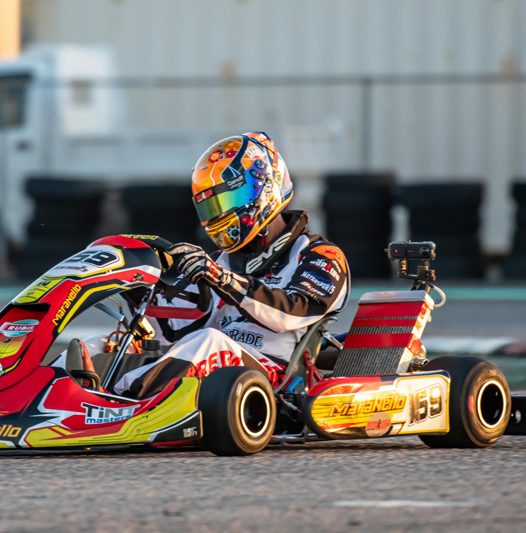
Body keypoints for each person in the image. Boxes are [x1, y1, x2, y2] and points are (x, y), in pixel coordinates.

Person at [57, 132, 350, 399]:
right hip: (216, 371)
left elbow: (291, 313)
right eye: (212, 207)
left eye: (227, 201)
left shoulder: (319, 255)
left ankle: (112, 402)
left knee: (209, 341)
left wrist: (223, 279)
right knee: (104, 343)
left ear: (263, 191)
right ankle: (48, 398)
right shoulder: (224, 260)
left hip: (271, 375)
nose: (219, 215)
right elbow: (169, 332)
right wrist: (142, 292)